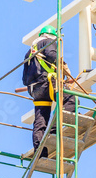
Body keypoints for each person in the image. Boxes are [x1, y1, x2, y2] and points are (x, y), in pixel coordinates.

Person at [22, 25, 75, 156]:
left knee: (41, 119)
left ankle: (39, 150)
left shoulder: (29, 53)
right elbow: (52, 56)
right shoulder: (48, 42)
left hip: (35, 89)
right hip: (48, 82)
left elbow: (24, 79)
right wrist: (62, 66)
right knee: (71, 100)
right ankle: (54, 131)